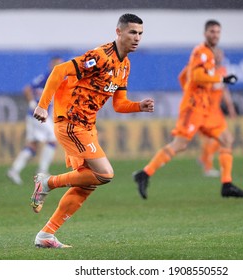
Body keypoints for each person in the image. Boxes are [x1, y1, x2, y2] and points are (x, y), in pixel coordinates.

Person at [30, 13, 154, 248]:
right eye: (132, 32)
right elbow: (59, 71)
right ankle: (47, 182)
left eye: (140, 33)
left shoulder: (125, 65)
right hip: (70, 122)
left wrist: (139, 106)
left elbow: (119, 104)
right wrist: (42, 106)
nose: (137, 38)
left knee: (88, 182)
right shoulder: (100, 56)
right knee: (105, 174)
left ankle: (46, 235)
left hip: (87, 126)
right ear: (119, 32)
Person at [133, 20, 243, 200]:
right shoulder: (200, 52)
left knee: (227, 139)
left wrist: (193, 87)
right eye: (212, 31)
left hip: (206, 110)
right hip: (193, 108)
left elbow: (183, 76)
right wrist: (216, 81)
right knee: (180, 145)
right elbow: (195, 75)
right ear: (205, 33)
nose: (215, 35)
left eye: (218, 32)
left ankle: (227, 184)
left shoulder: (208, 56)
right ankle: (145, 174)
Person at [7, 56, 63, 185]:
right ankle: (42, 171)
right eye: (57, 64)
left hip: (36, 115)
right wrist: (33, 103)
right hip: (38, 114)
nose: (59, 67)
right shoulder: (47, 76)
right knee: (53, 138)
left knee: (33, 145)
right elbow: (27, 89)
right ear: (51, 64)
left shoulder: (58, 78)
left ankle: (14, 170)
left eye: (61, 64)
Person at [195, 48, 237, 178]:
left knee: (227, 139)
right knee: (210, 139)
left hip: (216, 111)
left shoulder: (223, 71)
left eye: (220, 55)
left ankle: (203, 159)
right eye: (216, 55)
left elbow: (224, 90)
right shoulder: (208, 70)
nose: (219, 57)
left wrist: (230, 107)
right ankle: (208, 167)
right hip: (206, 110)